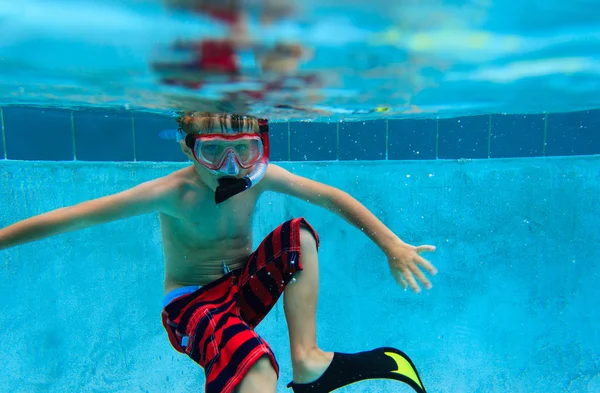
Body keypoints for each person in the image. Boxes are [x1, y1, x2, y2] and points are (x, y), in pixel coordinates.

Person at [0, 112, 437, 393]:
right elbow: (71, 217)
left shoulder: (259, 177)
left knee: (298, 236)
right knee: (257, 368)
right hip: (191, 308)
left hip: (239, 291)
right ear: (188, 147)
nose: (231, 167)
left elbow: (331, 197)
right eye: (213, 152)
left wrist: (390, 244)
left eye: (243, 150)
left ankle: (308, 360)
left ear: (258, 147)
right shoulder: (170, 193)